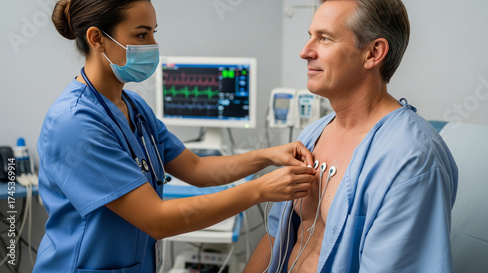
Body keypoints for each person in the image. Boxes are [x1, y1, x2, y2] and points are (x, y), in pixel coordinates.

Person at [33, 0, 317, 272]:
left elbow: (197, 169)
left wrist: (267, 156)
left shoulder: (135, 107)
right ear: (97, 39)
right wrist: (259, 190)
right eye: (141, 35)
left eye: (153, 34)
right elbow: (157, 220)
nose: (153, 46)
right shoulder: (74, 123)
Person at [244, 0, 458, 272]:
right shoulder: (313, 134)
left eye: (325, 38)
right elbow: (275, 234)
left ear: (373, 53)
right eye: (309, 37)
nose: (305, 52)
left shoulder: (411, 159)